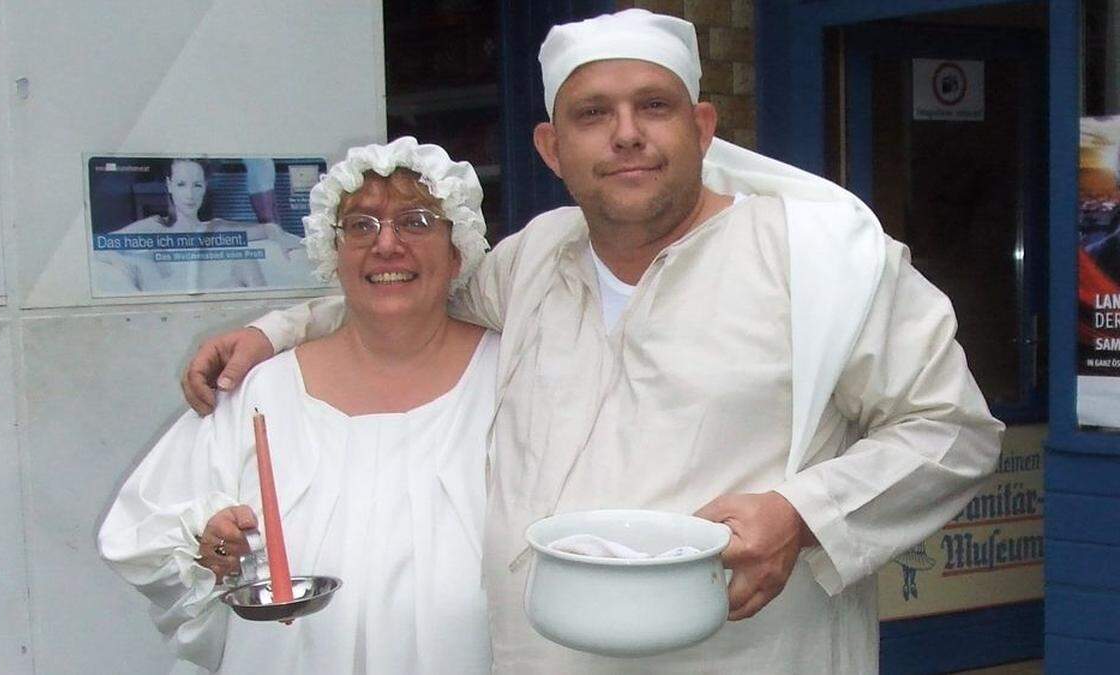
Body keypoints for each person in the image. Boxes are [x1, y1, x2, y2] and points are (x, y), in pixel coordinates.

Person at [181, 10, 1003, 674]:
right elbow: (412, 296)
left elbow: (951, 430)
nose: (626, 133)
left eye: (654, 105)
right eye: (592, 114)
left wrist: (801, 513)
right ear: (552, 148)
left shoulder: (820, 260)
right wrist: (274, 330)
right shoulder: (534, 257)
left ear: (703, 125)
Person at [98, 137, 495, 674]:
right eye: (361, 225)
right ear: (332, 253)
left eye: (417, 221)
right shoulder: (261, 395)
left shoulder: (511, 382)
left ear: (458, 251)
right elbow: (146, 535)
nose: (386, 246)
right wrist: (208, 551)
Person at [93, 157, 305, 294]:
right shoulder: (154, 227)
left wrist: (284, 239)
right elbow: (102, 245)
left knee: (244, 260)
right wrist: (126, 264)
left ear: (204, 187)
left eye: (197, 185)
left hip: (210, 305)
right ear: (170, 186)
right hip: (165, 306)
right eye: (181, 185)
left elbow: (267, 229)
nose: (189, 195)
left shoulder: (214, 227)